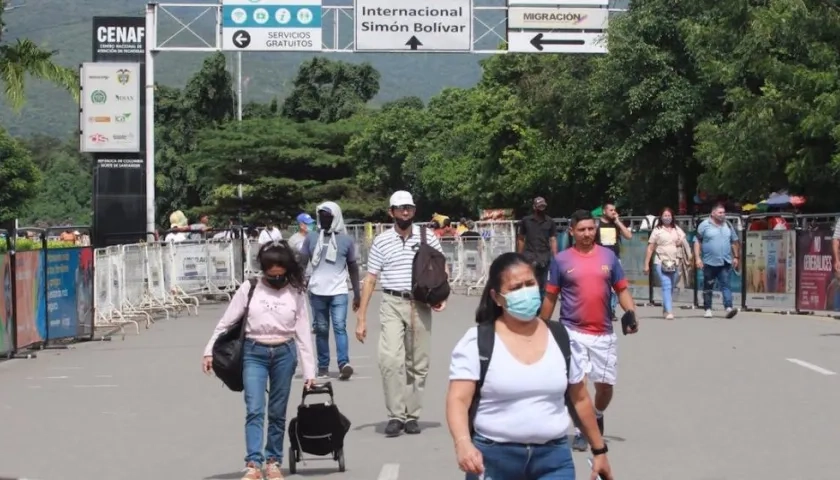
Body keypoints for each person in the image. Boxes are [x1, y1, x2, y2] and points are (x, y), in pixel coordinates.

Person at [446, 252, 614, 480]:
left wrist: (599, 450)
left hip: (553, 461)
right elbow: (458, 399)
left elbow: (580, 398)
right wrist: (463, 443)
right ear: (497, 297)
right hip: (493, 461)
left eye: (530, 284)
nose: (525, 292)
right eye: (516, 288)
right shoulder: (478, 342)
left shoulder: (561, 338)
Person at [201, 241, 316, 480]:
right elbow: (226, 322)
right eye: (271, 276)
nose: (276, 281)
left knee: (277, 411)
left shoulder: (295, 291)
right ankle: (253, 463)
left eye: (280, 276)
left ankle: (273, 462)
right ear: (263, 270)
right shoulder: (250, 288)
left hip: (284, 352)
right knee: (254, 408)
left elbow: (304, 332)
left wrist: (309, 372)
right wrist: (209, 350)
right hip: (254, 352)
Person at [539, 209, 639, 452]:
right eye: (581, 229)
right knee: (578, 384)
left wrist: (630, 312)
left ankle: (597, 414)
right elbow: (551, 296)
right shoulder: (561, 260)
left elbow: (621, 289)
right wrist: (540, 326)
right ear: (572, 231)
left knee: (605, 387)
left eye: (590, 229)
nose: (587, 233)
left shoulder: (608, 257)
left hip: (603, 333)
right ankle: (581, 430)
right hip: (572, 331)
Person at [356, 190, 446, 437]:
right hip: (392, 302)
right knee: (390, 360)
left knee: (418, 362)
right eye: (400, 208)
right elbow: (371, 279)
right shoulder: (382, 241)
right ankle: (395, 415)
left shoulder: (427, 236)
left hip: (420, 303)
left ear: (414, 211)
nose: (405, 212)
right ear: (391, 212)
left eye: (409, 207)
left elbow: (441, 267)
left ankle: (412, 415)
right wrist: (361, 317)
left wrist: (440, 295)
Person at [299, 202, 361, 380]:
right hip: (317, 291)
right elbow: (302, 262)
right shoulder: (311, 238)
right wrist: (298, 284)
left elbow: (353, 267)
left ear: (336, 217)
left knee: (340, 327)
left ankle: (343, 363)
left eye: (328, 216)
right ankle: (323, 366)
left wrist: (357, 293)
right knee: (321, 329)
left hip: (339, 291)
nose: (324, 219)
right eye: (321, 216)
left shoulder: (346, 240)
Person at [643, 208, 692, 319]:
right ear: (661, 217)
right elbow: (650, 248)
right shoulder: (657, 230)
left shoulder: (676, 229)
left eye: (669, 215)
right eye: (665, 215)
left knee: (671, 286)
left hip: (675, 261)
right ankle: (669, 311)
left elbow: (683, 239)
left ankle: (665, 309)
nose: (667, 218)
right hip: (661, 261)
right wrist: (646, 264)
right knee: (666, 284)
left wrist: (681, 242)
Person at [693, 203, 740, 319]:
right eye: (720, 212)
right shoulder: (704, 225)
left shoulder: (728, 225)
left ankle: (728, 307)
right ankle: (708, 309)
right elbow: (697, 242)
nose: (722, 215)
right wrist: (697, 258)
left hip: (725, 262)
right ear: (713, 213)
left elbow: (734, 241)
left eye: (723, 212)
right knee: (708, 286)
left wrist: (736, 257)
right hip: (709, 262)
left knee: (726, 285)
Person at [594, 203, 633, 321]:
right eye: (611, 210)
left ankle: (611, 310)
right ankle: (602, 310)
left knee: (615, 285)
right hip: (600, 258)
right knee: (602, 286)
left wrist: (618, 222)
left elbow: (629, 236)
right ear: (604, 211)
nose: (613, 212)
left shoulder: (616, 224)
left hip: (615, 258)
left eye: (614, 210)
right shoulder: (597, 224)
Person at [517, 197, 558, 298]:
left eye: (543, 206)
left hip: (544, 256)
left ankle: (541, 305)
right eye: (539, 206)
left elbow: (553, 239)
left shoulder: (550, 221)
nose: (541, 208)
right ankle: (531, 303)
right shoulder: (526, 221)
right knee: (530, 283)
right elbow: (521, 239)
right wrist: (519, 256)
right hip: (529, 256)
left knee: (543, 285)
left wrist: (556, 257)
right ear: (534, 207)